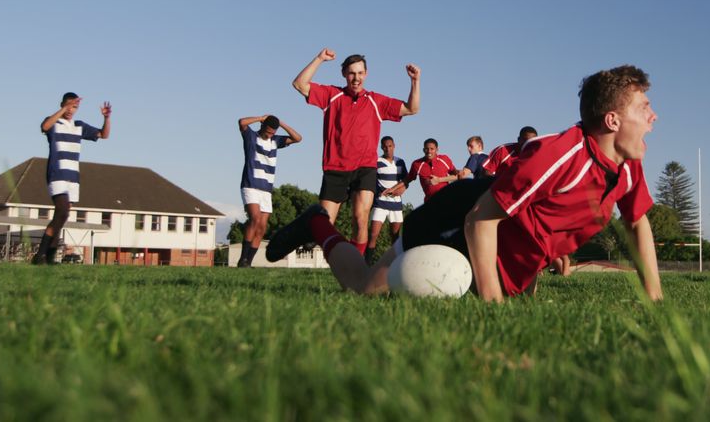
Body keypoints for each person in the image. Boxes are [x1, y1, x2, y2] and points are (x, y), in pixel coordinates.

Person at [267, 65, 663, 303]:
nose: (653, 116)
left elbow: (637, 223)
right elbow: (481, 219)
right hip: (458, 217)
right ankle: (318, 221)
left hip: (493, 245)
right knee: (365, 289)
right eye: (644, 108)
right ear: (612, 121)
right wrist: (492, 307)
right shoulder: (559, 155)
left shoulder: (627, 165)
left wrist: (655, 302)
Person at [293, 48, 420, 256]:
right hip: (335, 167)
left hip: (365, 168)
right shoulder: (331, 95)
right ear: (344, 74)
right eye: (352, 73)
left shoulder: (376, 101)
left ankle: (358, 267)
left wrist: (415, 81)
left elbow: (412, 108)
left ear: (366, 74)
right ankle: (331, 254)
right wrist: (319, 59)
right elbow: (299, 84)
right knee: (324, 223)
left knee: (360, 218)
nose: (356, 78)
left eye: (360, 73)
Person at [33, 93, 111, 265]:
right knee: (61, 211)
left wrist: (106, 118)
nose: (71, 110)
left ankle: (48, 256)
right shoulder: (54, 122)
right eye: (68, 106)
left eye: (74, 107)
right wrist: (63, 109)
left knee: (62, 216)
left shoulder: (79, 126)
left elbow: (104, 135)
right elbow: (45, 126)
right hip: (56, 173)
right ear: (62, 105)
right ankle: (40, 255)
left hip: (73, 176)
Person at [236, 114, 302, 267]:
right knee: (255, 218)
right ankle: (242, 258)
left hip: (266, 189)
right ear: (262, 127)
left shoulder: (275, 141)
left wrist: (281, 123)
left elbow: (298, 138)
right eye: (268, 131)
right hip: (250, 185)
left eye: (273, 132)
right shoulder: (251, 137)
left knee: (262, 226)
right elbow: (242, 122)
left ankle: (248, 263)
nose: (270, 134)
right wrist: (260, 118)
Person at [366, 135, 408, 264]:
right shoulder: (376, 161)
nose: (387, 149)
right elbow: (371, 181)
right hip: (380, 203)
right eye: (385, 146)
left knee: (395, 237)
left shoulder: (400, 162)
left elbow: (406, 181)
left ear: (394, 146)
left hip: (396, 204)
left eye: (390, 146)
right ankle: (367, 264)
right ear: (381, 147)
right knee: (373, 235)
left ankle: (395, 264)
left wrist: (402, 189)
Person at [389, 138, 458, 203]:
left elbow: (457, 175)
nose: (429, 151)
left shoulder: (444, 159)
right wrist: (393, 188)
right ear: (423, 150)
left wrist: (439, 180)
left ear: (437, 149)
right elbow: (408, 179)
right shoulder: (417, 164)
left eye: (432, 149)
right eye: (426, 149)